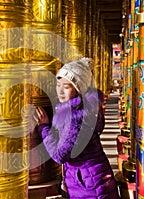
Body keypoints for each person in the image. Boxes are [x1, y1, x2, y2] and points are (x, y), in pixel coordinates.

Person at [34, 59, 119, 198]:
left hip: (90, 186)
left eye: (66, 87)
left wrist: (44, 128)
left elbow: (59, 155)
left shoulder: (77, 117)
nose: (60, 91)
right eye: (58, 85)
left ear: (79, 89)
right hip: (90, 179)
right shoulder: (85, 109)